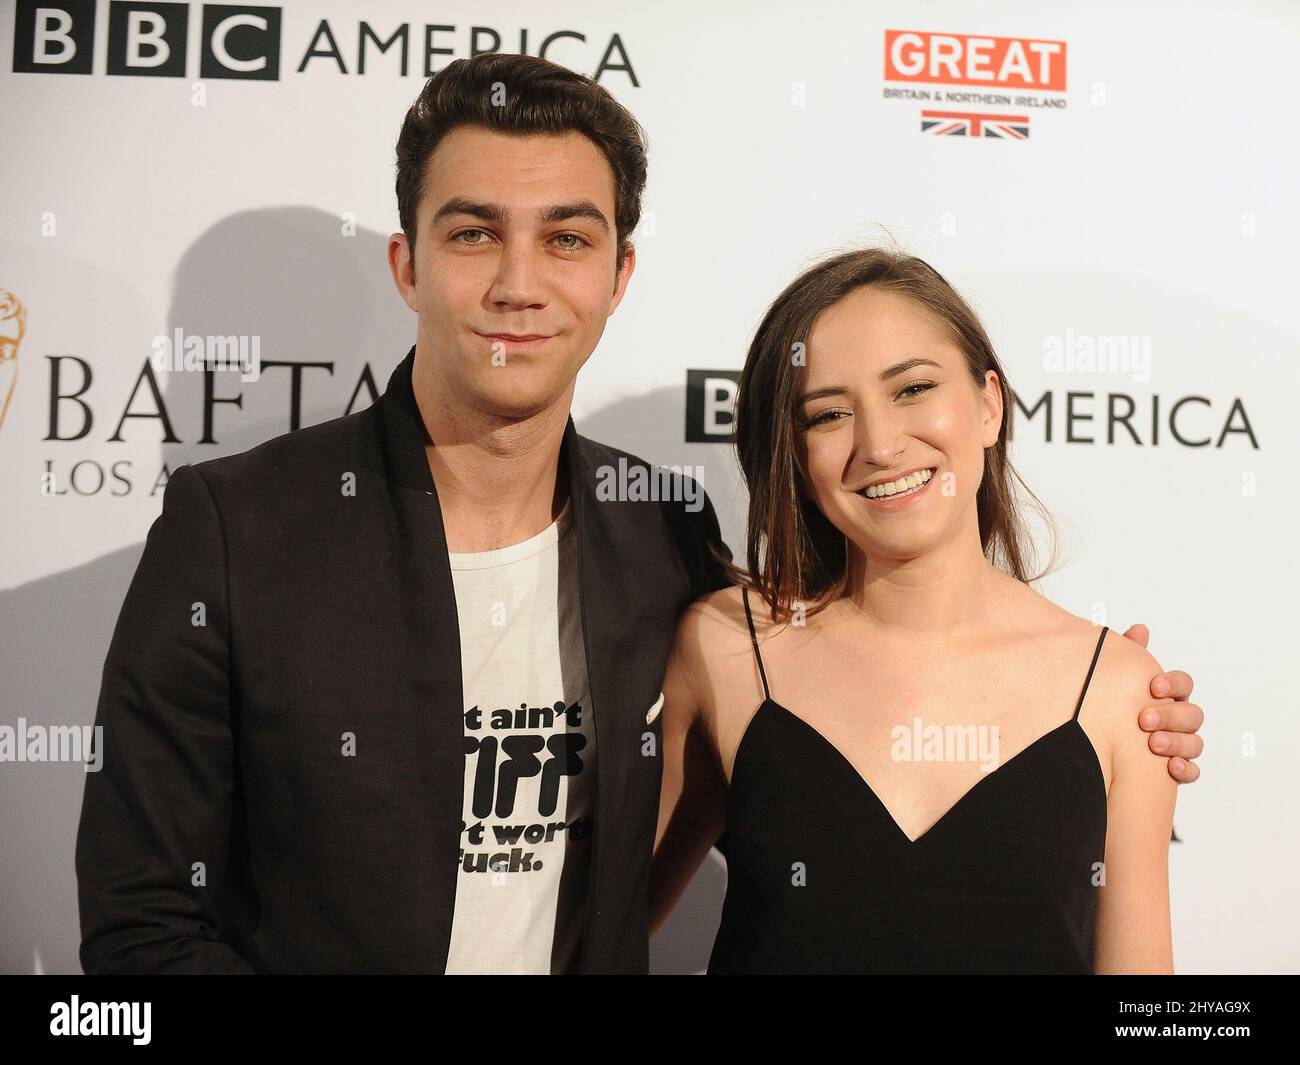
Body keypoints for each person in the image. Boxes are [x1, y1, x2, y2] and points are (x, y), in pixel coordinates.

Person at [75, 53, 1204, 976]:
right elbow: (142, 928)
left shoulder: (662, 540)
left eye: (566, 239)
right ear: (408, 264)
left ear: (617, 275)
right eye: (474, 234)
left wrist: (1110, 732)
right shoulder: (239, 530)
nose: (520, 283)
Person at [651, 248, 1187, 973]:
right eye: (830, 413)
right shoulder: (724, 648)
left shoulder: (1123, 692)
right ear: (798, 464)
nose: (879, 443)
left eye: (911, 388)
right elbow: (599, 927)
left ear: (990, 405)